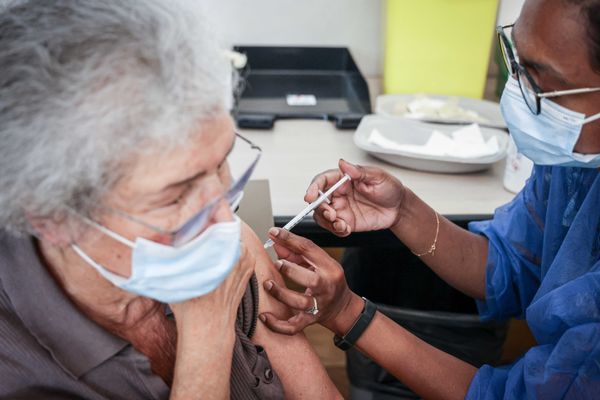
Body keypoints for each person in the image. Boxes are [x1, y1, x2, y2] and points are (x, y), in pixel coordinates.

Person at [0, 1, 342, 399]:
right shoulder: (16, 370)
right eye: (175, 196)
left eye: (220, 164)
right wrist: (208, 329)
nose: (227, 222)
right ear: (51, 215)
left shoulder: (210, 241)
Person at [260, 0, 600, 398]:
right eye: (516, 62)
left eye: (542, 80)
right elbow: (510, 266)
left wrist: (347, 313)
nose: (519, 93)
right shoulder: (576, 159)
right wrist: (402, 210)